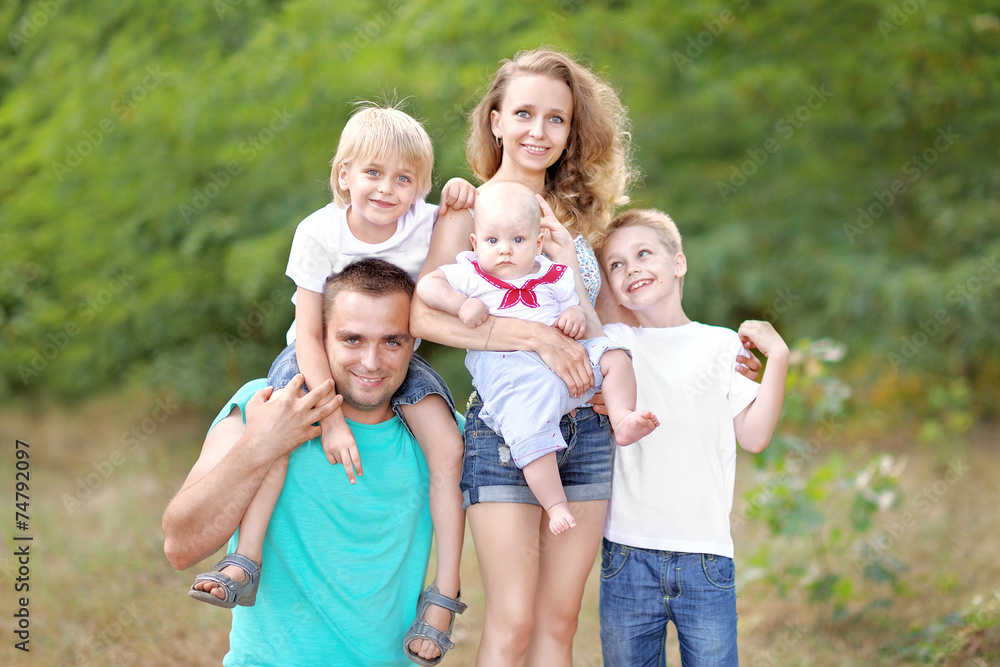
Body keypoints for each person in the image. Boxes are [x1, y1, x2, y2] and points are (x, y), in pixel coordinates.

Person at [187, 104, 474, 664]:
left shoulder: (426, 221)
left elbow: (496, 216)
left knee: (450, 449)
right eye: (372, 172)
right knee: (277, 430)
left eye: (404, 178)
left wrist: (466, 191)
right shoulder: (318, 231)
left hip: (394, 352)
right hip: (312, 354)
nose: (387, 189)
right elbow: (310, 334)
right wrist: (331, 417)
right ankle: (244, 561)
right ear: (343, 174)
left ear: (422, 186)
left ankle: (443, 596)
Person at [163, 259, 465, 666]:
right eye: (352, 339)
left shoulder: (440, 436)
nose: (372, 362)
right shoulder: (265, 403)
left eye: (392, 341)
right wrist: (263, 443)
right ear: (319, 340)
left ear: (414, 343)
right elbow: (181, 547)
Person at [596, 209, 790, 666]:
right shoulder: (612, 341)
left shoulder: (721, 346)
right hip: (628, 553)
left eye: (644, 253)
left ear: (679, 263)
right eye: (617, 265)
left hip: (705, 555)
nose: (632, 269)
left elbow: (756, 436)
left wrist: (778, 356)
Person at [417, 181, 658, 536]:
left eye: (518, 240)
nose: (505, 250)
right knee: (530, 429)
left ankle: (622, 418)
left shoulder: (550, 273)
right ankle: (555, 503)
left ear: (537, 243)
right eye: (493, 241)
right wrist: (461, 304)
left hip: (569, 369)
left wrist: (574, 314)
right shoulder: (469, 273)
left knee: (616, 356)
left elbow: (575, 307)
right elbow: (426, 287)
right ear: (475, 244)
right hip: (513, 372)